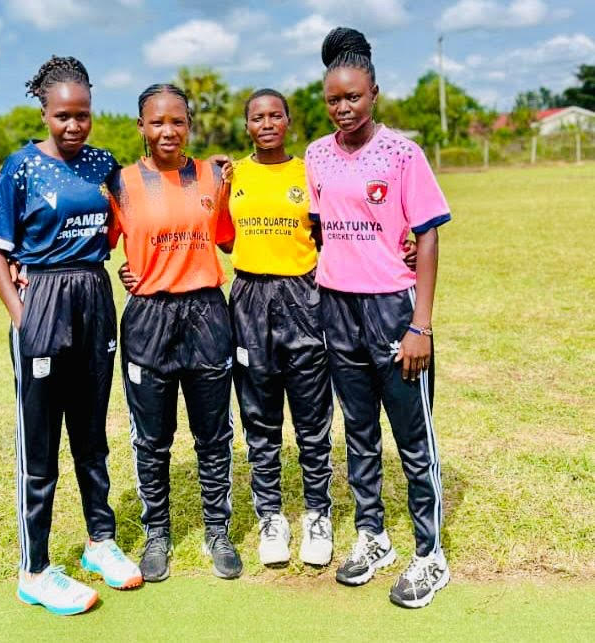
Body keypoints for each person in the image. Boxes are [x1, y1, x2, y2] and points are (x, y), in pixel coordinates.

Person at [0, 55, 141, 616]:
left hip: (95, 298)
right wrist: (24, 315)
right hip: (42, 300)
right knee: (41, 443)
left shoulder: (104, 163)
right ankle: (35, 569)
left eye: (84, 115)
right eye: (63, 116)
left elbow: (134, 214)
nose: (74, 126)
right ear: (45, 112)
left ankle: (100, 542)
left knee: (92, 432)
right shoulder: (21, 167)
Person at [306, 28, 451, 608]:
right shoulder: (317, 154)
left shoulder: (402, 153)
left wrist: (421, 325)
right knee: (359, 434)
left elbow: (428, 238)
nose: (343, 109)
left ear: (374, 95)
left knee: (413, 440)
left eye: (354, 98)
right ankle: (374, 536)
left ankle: (430, 553)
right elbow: (320, 227)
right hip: (336, 307)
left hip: (393, 309)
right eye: (334, 100)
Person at [107, 83, 242, 582]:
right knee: (152, 438)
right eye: (157, 122)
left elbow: (229, 240)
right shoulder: (117, 183)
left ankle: (217, 531)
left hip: (207, 313)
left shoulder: (213, 175)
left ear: (190, 125)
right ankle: (157, 533)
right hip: (148, 319)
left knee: (213, 434)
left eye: (178, 121)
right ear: (141, 127)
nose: (169, 130)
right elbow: (87, 242)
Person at [224, 89, 335, 567]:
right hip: (249, 298)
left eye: (275, 115)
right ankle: (271, 516)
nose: (266, 123)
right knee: (260, 417)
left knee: (312, 418)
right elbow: (226, 241)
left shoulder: (308, 172)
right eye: (257, 117)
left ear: (288, 121)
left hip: (303, 298)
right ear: (246, 125)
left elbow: (330, 234)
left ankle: (317, 514)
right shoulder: (233, 176)